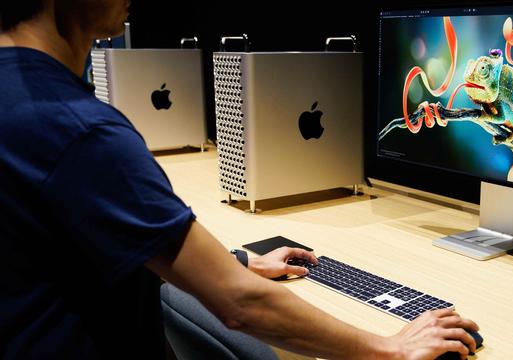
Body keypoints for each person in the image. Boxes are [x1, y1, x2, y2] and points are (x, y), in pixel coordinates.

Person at [0, 1, 480, 359]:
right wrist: (390, 348)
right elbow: (240, 304)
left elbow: (89, 234)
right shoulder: (78, 130)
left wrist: (234, 262)